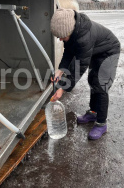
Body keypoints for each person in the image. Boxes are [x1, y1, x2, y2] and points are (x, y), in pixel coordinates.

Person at [50, 9, 120, 140]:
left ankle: (101, 123)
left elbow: (79, 67)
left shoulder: (84, 38)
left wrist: (62, 89)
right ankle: (93, 113)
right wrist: (60, 70)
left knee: (101, 86)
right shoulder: (71, 30)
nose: (60, 39)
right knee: (93, 81)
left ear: (69, 30)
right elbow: (69, 52)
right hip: (96, 51)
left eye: (62, 36)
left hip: (109, 52)